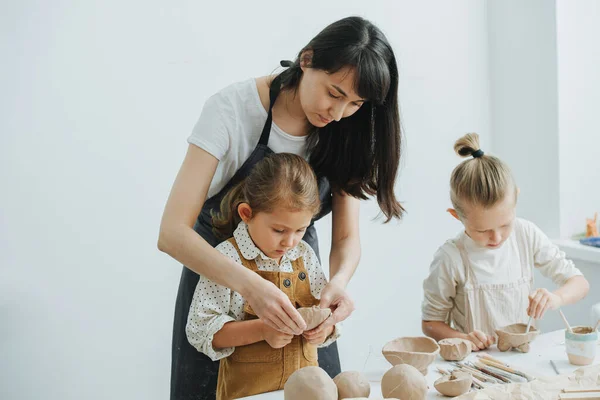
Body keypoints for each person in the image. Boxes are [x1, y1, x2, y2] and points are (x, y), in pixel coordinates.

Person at [158, 16, 404, 399]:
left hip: (299, 286)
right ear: (306, 60)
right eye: (334, 94)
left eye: (356, 103)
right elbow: (172, 233)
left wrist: (336, 285)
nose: (338, 114)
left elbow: (346, 238)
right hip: (220, 280)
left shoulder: (348, 130)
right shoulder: (232, 110)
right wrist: (250, 286)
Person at [186, 153, 340, 400]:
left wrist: (325, 330)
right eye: (279, 230)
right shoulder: (226, 259)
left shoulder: (305, 256)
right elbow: (201, 330)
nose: (290, 242)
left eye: (301, 230)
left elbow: (325, 311)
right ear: (247, 213)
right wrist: (262, 330)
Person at [421, 133, 590, 350]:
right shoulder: (451, 258)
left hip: (527, 357)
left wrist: (555, 299)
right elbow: (430, 323)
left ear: (516, 199)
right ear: (457, 216)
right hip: (478, 365)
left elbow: (580, 284)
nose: (497, 237)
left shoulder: (526, 234)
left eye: (505, 225)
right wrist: (462, 338)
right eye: (482, 230)